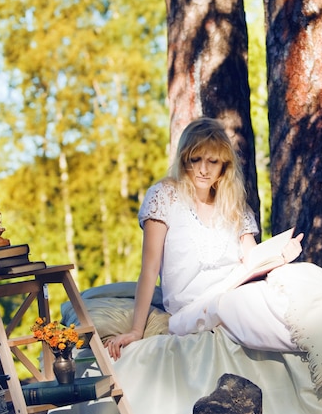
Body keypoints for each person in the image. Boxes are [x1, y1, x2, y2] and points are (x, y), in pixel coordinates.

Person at [105, 117, 303, 360]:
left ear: (224, 165)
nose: (203, 169)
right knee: (232, 306)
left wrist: (281, 257)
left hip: (237, 291)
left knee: (297, 276)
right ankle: (308, 343)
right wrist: (136, 330)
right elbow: (149, 269)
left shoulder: (233, 205)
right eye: (195, 159)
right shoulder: (164, 197)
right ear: (184, 159)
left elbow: (254, 261)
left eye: (212, 161)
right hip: (191, 309)